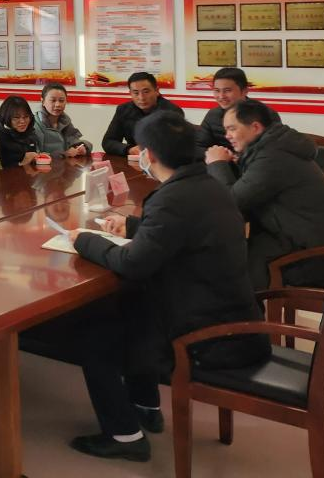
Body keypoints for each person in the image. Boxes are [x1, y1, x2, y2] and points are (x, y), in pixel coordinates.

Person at [66, 111, 269, 461]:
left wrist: (84, 240)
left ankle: (124, 437)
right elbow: (181, 231)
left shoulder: (172, 198)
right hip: (234, 317)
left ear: (149, 154)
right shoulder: (208, 184)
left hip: (209, 337)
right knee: (133, 307)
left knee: (96, 335)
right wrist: (132, 227)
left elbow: (133, 264)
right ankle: (146, 405)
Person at [212, 99, 324, 288]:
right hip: (309, 244)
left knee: (228, 264)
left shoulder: (273, 157)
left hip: (316, 259)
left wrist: (217, 164)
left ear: (255, 127)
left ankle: (250, 305)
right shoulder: (275, 148)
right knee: (235, 256)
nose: (227, 136)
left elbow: (232, 202)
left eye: (232, 129)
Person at [196, 67, 280, 162]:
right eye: (217, 90)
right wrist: (224, 155)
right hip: (221, 164)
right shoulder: (213, 115)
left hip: (255, 165)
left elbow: (273, 149)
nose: (221, 96)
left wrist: (240, 158)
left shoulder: (265, 114)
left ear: (244, 91)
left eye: (227, 90)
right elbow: (199, 147)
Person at [101, 72, 182, 157]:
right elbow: (108, 142)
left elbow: (177, 147)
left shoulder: (172, 112)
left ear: (157, 91)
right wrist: (129, 149)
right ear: (130, 93)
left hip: (163, 161)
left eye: (146, 92)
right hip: (135, 160)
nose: (141, 98)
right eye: (136, 93)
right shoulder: (123, 110)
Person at [34, 83, 91, 156]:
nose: (58, 105)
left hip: (65, 162)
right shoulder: (35, 124)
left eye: (61, 100)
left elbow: (74, 141)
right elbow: (36, 155)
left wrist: (83, 147)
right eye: (53, 100)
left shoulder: (65, 121)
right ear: (43, 102)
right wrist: (64, 154)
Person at [0, 95, 40, 168]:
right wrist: (21, 164)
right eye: (16, 117)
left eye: (26, 117)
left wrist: (38, 157)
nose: (22, 121)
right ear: (6, 117)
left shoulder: (29, 129)